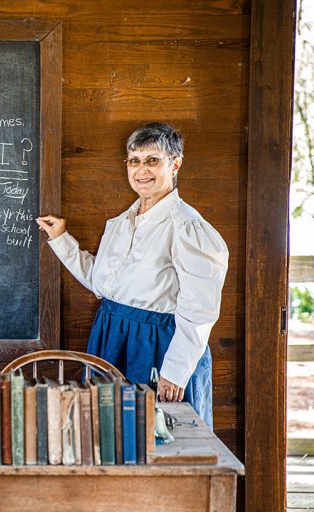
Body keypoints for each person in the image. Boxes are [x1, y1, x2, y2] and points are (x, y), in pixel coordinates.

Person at [36, 122, 228, 428]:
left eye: (153, 160)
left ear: (175, 164)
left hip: (158, 343)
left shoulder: (186, 226)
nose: (142, 170)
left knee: (159, 439)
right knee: (110, 437)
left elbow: (200, 309)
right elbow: (103, 284)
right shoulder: (122, 222)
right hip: (111, 337)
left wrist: (176, 370)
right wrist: (61, 239)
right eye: (134, 161)